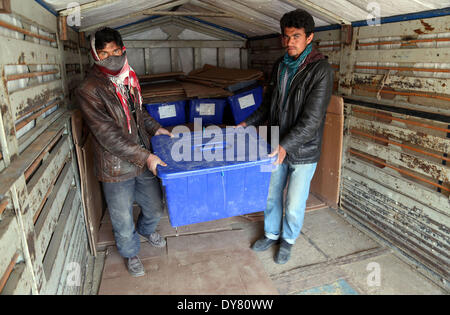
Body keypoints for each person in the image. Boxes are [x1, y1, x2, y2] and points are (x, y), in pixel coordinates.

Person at [237, 9, 333, 264]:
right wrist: (247, 122)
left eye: (296, 37)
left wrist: (285, 146)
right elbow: (269, 104)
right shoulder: (280, 65)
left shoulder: (321, 70)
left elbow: (312, 120)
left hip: (303, 150)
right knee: (271, 194)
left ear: (309, 38)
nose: (290, 42)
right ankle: (271, 233)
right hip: (275, 142)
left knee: (293, 203)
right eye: (286, 36)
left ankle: (288, 240)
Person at [76, 27, 173, 277]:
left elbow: (138, 114)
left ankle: (146, 229)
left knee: (154, 207)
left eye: (115, 51)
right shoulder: (89, 89)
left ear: (123, 49)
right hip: (115, 167)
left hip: (141, 159)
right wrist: (146, 156)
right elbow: (108, 135)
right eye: (104, 53)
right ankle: (130, 253)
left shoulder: (128, 77)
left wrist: (156, 129)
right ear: (94, 55)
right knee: (121, 220)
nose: (111, 57)